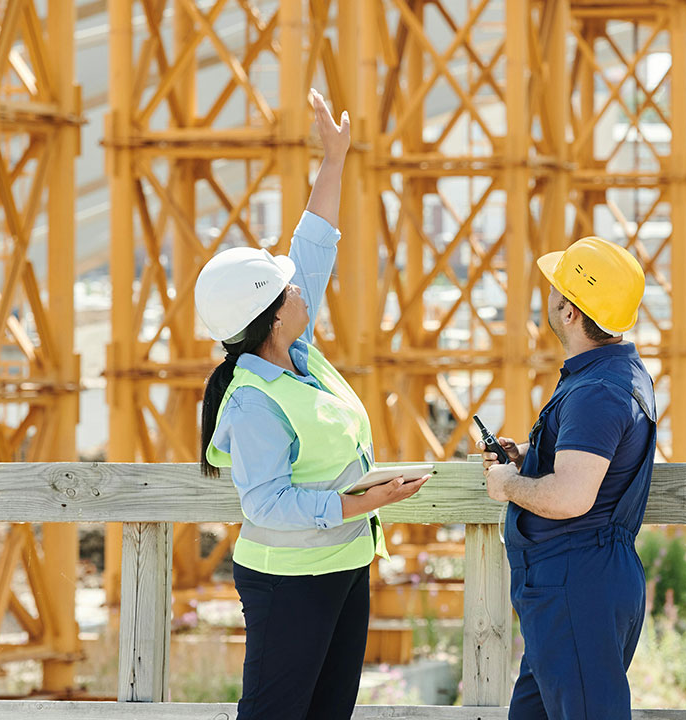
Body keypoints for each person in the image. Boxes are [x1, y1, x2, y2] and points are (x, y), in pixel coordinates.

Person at [195, 89, 429, 720]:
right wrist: (363, 500)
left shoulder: (297, 354)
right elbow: (264, 502)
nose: (299, 285)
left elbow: (314, 245)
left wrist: (335, 158)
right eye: (286, 287)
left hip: (345, 561)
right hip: (289, 579)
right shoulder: (252, 402)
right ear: (272, 317)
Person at [479, 237, 656, 720]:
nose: (549, 297)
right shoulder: (617, 374)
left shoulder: (597, 391)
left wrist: (508, 484)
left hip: (575, 582)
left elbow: (572, 496)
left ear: (571, 312)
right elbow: (590, 463)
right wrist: (533, 457)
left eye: (556, 288)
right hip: (576, 582)